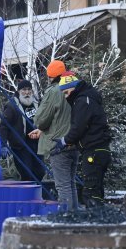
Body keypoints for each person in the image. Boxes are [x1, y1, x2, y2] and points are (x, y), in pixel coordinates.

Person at [31, 60, 77, 211]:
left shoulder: (53, 91)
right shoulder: (73, 87)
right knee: (70, 183)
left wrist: (40, 127)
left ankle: (65, 219)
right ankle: (74, 215)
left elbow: (41, 119)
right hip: (73, 141)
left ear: (51, 76)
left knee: (62, 186)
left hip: (58, 144)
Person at [58, 78, 112, 206]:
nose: (66, 97)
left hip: (93, 151)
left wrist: (64, 141)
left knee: (90, 193)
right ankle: (101, 220)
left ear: (74, 88)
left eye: (66, 92)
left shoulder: (82, 101)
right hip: (100, 149)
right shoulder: (89, 98)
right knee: (96, 191)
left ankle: (94, 222)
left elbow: (78, 127)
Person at [0, 80, 44, 183]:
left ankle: (36, 194)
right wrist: (4, 144)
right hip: (21, 145)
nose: (27, 92)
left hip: (37, 143)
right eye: (24, 90)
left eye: (29, 89)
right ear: (18, 91)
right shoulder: (12, 106)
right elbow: (4, 125)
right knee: (26, 173)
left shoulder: (36, 103)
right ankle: (28, 196)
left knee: (40, 172)